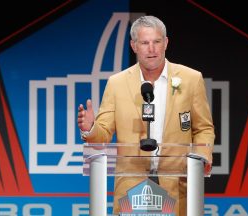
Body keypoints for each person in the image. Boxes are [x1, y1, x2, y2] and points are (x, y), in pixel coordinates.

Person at [78, 15, 215, 215]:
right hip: (131, 188)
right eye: (144, 43)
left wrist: (199, 160)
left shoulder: (191, 79)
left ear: (166, 43)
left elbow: (203, 128)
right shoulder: (117, 83)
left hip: (177, 185)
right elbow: (103, 135)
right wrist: (90, 128)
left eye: (157, 41)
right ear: (134, 46)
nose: (151, 48)